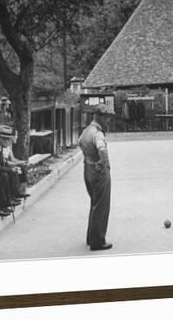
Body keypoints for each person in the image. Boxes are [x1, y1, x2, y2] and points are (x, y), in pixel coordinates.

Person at [77, 103, 114, 251]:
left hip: (87, 168)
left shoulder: (87, 130)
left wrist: (89, 157)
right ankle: (98, 241)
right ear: (100, 117)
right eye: (107, 118)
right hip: (98, 171)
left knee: (94, 204)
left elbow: (80, 142)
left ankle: (90, 237)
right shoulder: (98, 133)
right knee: (101, 206)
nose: (109, 121)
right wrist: (105, 162)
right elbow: (102, 149)